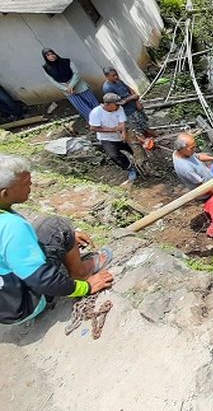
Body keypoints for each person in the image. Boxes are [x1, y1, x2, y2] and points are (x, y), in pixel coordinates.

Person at [0, 154, 114, 325]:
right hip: (22, 306)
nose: (31, 185)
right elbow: (42, 280)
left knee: (49, 229)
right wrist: (87, 287)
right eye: (25, 184)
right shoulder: (11, 226)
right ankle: (82, 274)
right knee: (56, 225)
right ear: (5, 193)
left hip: (5, 301)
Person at [89, 93, 138, 182]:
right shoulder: (96, 113)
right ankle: (130, 168)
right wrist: (113, 129)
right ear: (107, 104)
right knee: (114, 155)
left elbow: (122, 122)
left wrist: (123, 132)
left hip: (119, 135)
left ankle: (140, 164)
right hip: (106, 138)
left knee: (133, 149)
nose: (118, 106)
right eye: (116, 104)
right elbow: (93, 128)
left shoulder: (119, 108)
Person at [41, 48, 99, 121]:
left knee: (94, 104)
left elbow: (76, 73)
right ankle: (95, 124)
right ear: (45, 57)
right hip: (68, 92)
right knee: (83, 108)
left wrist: (71, 85)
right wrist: (66, 89)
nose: (51, 56)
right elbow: (53, 81)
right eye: (48, 55)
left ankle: (105, 119)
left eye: (52, 54)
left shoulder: (66, 61)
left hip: (80, 87)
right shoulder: (46, 68)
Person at [101, 66, 155, 139]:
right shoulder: (107, 88)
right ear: (107, 76)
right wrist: (131, 98)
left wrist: (137, 102)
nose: (116, 76)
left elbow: (129, 89)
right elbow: (116, 103)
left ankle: (152, 135)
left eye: (116, 74)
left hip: (134, 106)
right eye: (113, 75)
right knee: (137, 129)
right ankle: (147, 142)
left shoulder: (118, 81)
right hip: (127, 112)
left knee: (144, 123)